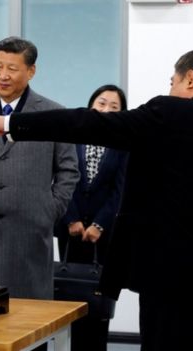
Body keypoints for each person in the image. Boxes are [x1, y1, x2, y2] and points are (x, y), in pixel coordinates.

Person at [0, 48, 193, 351]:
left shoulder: (168, 112)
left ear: (190, 79)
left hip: (165, 275)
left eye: (172, 81)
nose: (170, 88)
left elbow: (90, 123)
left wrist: (9, 124)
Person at [0, 36, 80, 299]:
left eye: (12, 68)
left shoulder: (52, 113)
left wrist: (49, 209)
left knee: (29, 315)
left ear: (31, 71)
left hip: (30, 231)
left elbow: (69, 170)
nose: (3, 75)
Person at [54, 84, 129, 351]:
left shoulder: (123, 144)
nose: (106, 109)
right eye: (101, 102)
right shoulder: (72, 137)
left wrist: (99, 223)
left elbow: (121, 189)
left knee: (98, 302)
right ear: (91, 105)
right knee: (67, 295)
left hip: (104, 235)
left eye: (114, 106)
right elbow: (63, 179)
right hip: (70, 230)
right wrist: (71, 218)